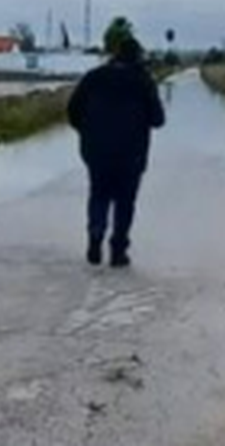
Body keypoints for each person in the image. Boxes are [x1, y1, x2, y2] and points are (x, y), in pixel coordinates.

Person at [66, 24, 165, 267]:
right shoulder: (143, 81)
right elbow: (158, 119)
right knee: (125, 201)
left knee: (98, 194)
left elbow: (72, 111)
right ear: (138, 57)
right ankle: (118, 251)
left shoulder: (94, 76)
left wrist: (88, 133)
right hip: (131, 154)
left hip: (97, 151)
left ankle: (95, 236)